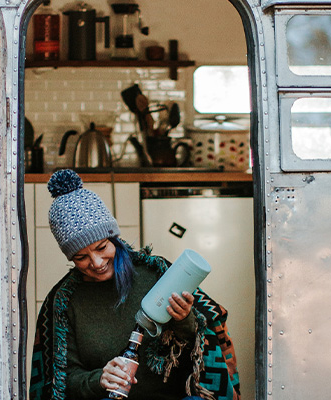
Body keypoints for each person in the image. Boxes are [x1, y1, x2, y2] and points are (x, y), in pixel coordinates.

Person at [29, 169, 240, 400]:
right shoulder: (64, 301)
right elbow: (62, 379)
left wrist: (184, 319)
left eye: (102, 248)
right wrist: (99, 379)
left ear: (115, 239)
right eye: (81, 257)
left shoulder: (156, 274)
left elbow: (200, 344)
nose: (97, 263)